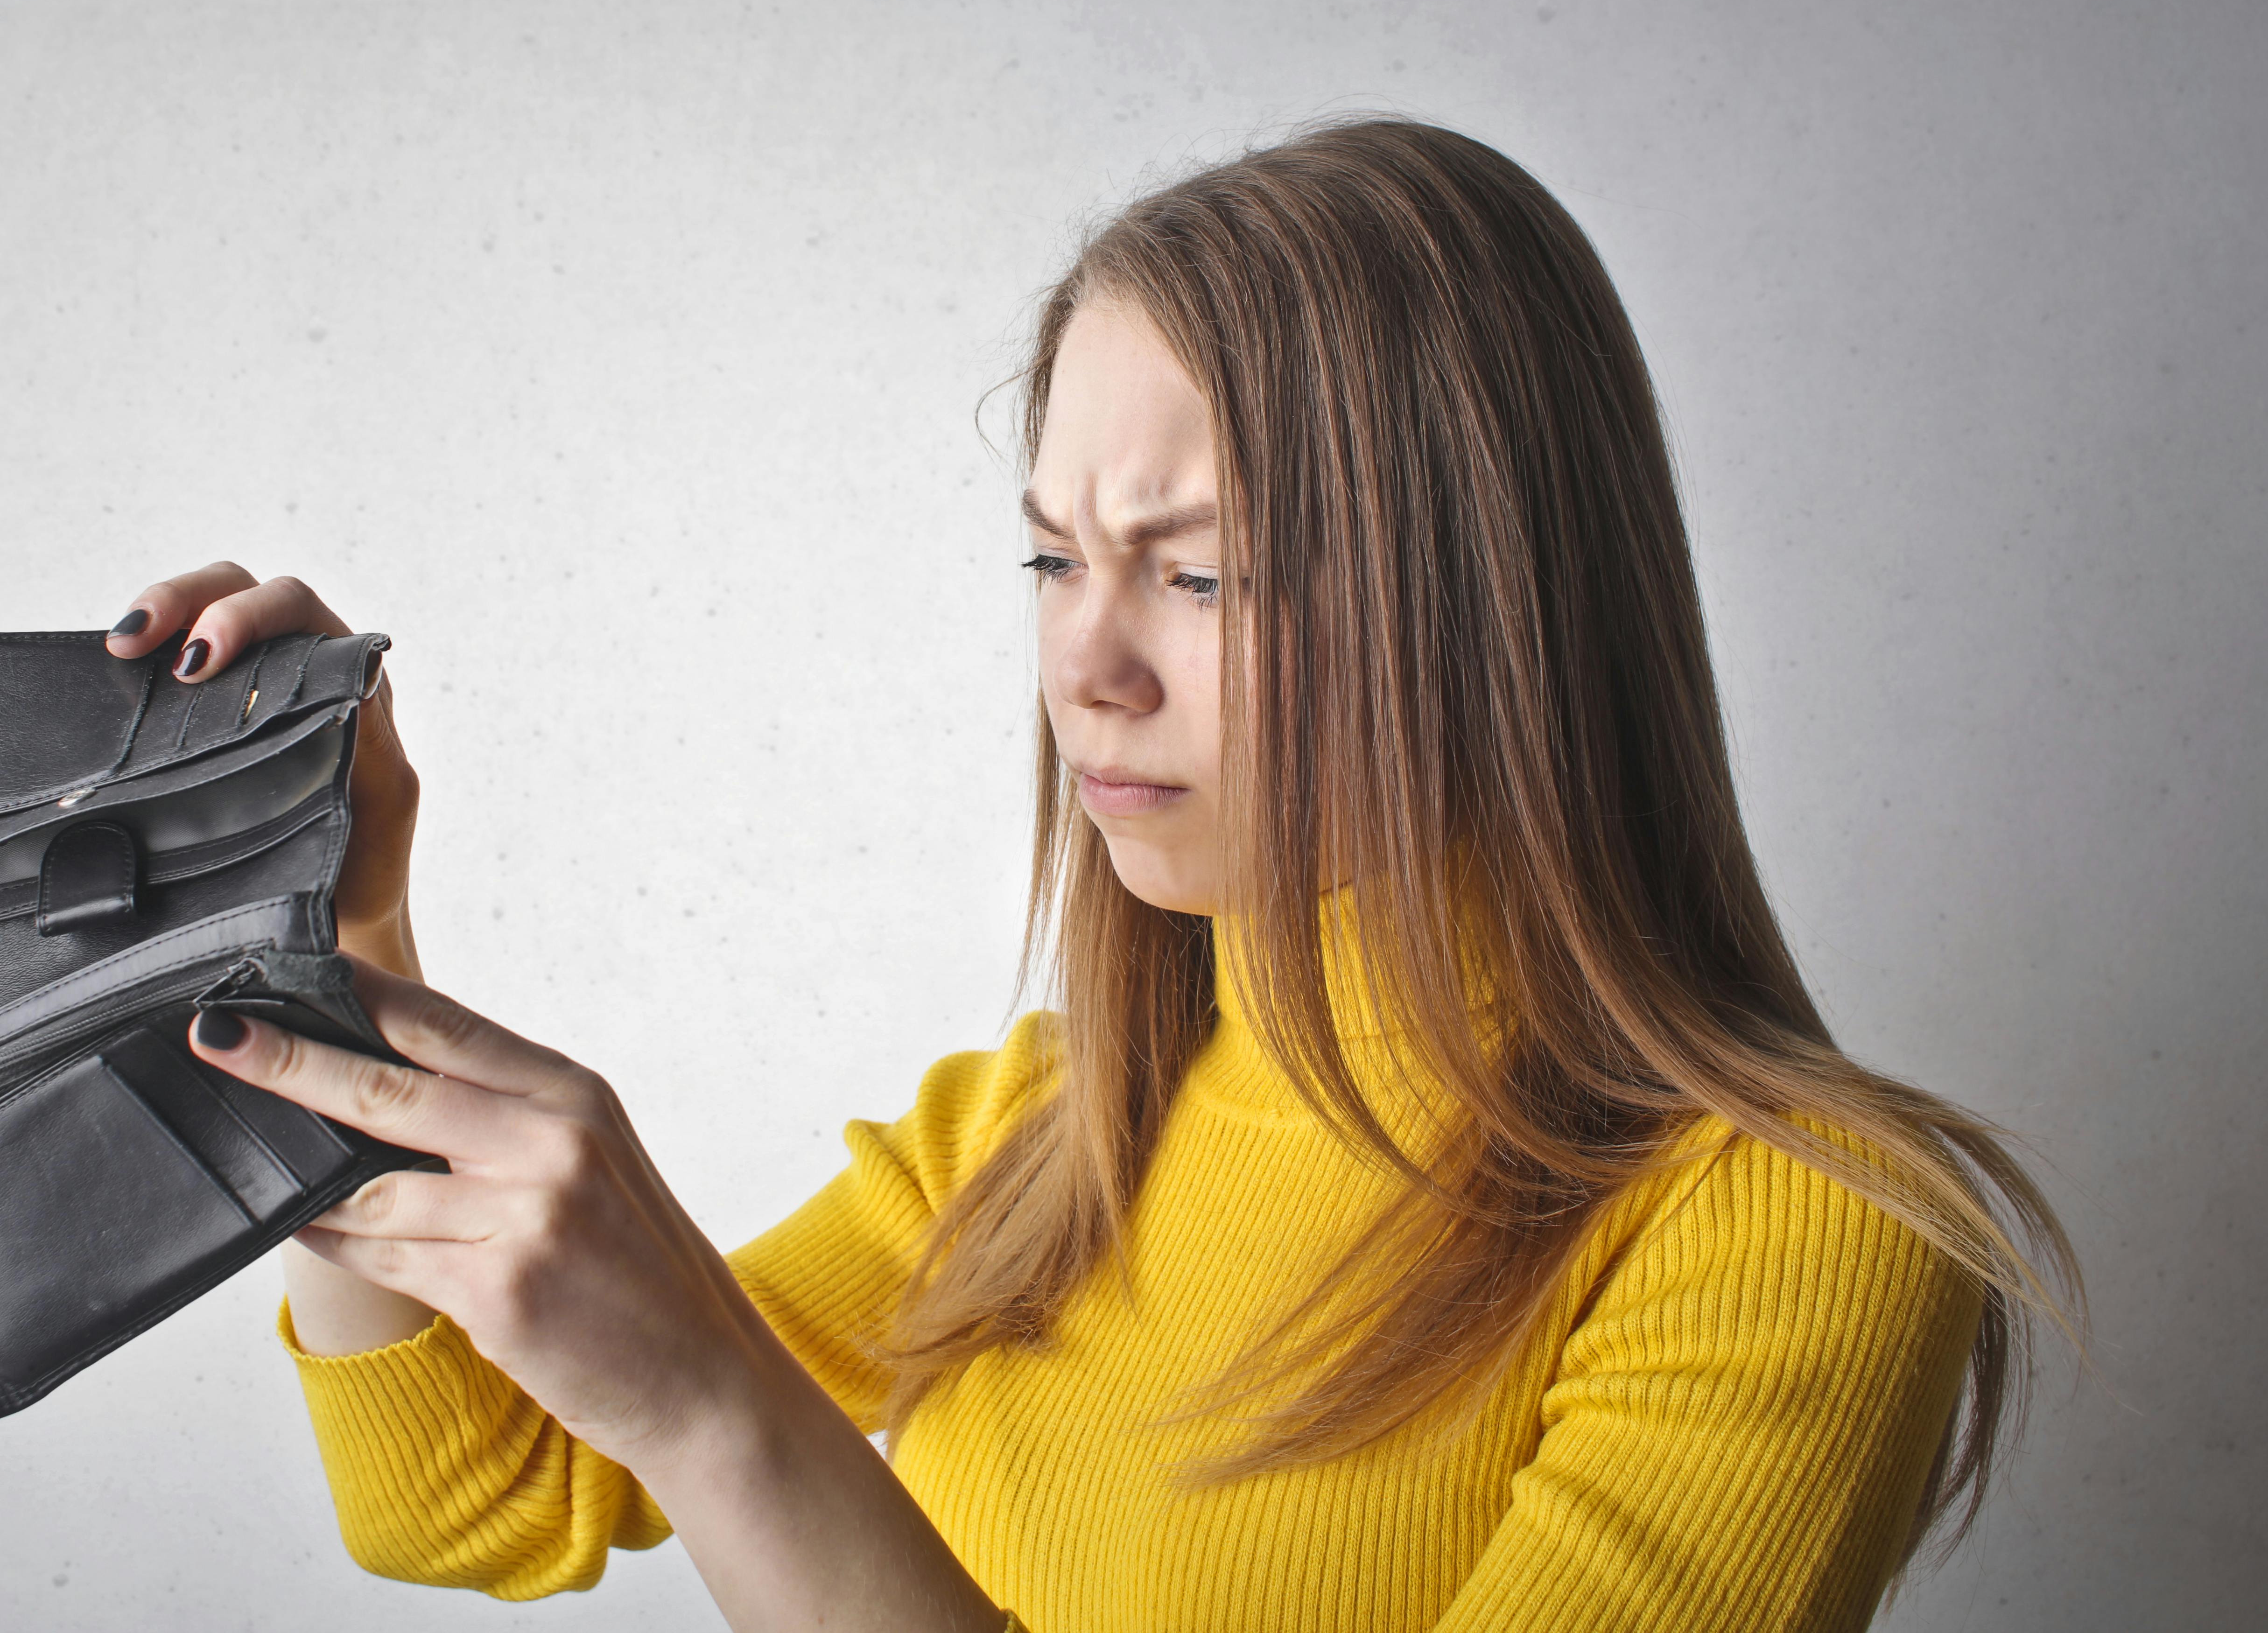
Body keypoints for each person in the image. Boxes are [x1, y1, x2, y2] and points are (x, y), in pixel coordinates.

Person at [105, 119, 2077, 1633]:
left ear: (1495, 613)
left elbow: (665, 1426)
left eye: (1196, 568)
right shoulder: (1047, 1129)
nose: (1083, 663)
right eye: (1053, 557)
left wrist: (726, 1407)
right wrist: (331, 932)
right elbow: (469, 1489)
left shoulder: (1800, 1232)